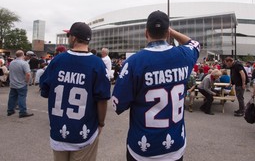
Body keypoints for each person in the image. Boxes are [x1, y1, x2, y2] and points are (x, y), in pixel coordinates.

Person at [112, 10, 200, 161]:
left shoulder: (134, 62)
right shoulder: (183, 55)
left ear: (146, 33)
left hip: (142, 147)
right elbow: (195, 44)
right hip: (174, 144)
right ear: (168, 33)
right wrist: (172, 32)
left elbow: (118, 105)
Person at [40, 22, 111, 161]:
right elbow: (102, 99)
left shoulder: (58, 60)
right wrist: (101, 123)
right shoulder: (97, 63)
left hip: (58, 129)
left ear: (73, 38)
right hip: (84, 131)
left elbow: (45, 89)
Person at [7, 50, 33, 118]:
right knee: (22, 97)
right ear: (23, 55)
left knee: (12, 97)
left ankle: (10, 110)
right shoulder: (24, 63)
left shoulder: (12, 62)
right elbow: (28, 74)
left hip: (13, 83)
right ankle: (22, 112)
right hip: (21, 83)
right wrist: (27, 82)